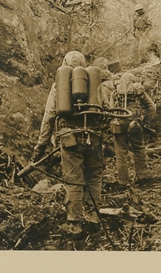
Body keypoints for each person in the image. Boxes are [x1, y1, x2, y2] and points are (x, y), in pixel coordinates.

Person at [33, 50, 106, 238]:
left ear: (65, 64)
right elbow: (105, 109)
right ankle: (93, 218)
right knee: (94, 177)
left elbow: (49, 117)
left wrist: (40, 146)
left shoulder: (60, 85)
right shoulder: (94, 82)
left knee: (74, 180)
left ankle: (74, 224)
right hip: (94, 137)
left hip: (70, 138)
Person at [110, 72, 156, 188]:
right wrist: (145, 122)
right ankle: (143, 179)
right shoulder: (139, 91)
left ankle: (122, 183)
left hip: (119, 123)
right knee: (139, 150)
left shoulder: (116, 91)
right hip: (135, 123)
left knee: (121, 154)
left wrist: (115, 120)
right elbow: (152, 108)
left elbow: (111, 110)